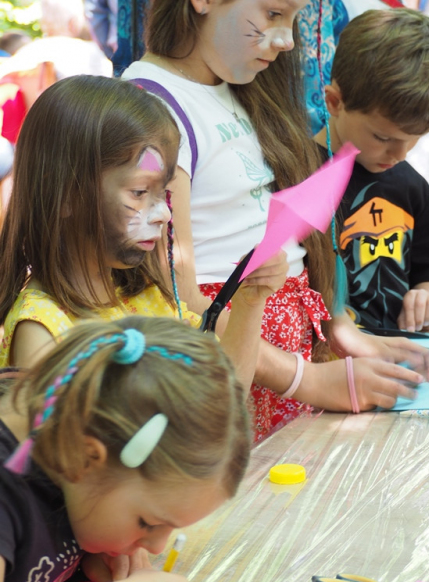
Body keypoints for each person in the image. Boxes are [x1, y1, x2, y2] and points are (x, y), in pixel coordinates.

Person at [121, 0, 429, 442]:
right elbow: (175, 293)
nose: (288, 41)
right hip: (233, 370)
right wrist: (306, 380)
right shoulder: (154, 108)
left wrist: (337, 327)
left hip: (282, 365)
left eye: (295, 18)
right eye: (273, 14)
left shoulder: (235, 85)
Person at [0, 75, 288, 398]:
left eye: (163, 193)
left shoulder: (147, 296)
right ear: (65, 195)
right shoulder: (42, 333)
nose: (163, 213)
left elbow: (222, 399)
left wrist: (250, 302)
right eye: (139, 192)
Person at [0, 315, 251, 582]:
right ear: (85, 457)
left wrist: (88, 559)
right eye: (148, 523)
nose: (157, 548)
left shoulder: (72, 449)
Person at [315, 8, 429, 332]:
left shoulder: (411, 188)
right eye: (383, 137)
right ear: (334, 102)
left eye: (413, 139)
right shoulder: (299, 175)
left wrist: (427, 298)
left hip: (397, 350)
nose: (400, 155)